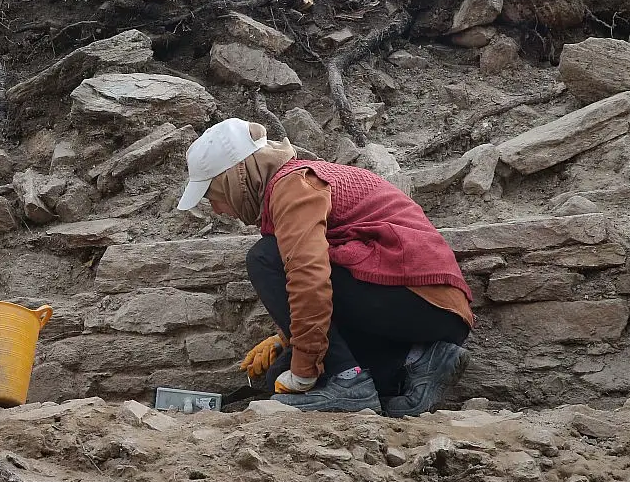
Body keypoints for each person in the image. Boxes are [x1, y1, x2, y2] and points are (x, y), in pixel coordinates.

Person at [176, 118, 474, 415]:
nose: (216, 209)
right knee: (277, 374)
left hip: (425, 300)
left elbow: (310, 277)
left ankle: (348, 384)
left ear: (234, 178)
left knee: (265, 258)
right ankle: (418, 361)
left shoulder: (294, 187)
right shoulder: (291, 186)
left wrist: (305, 370)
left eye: (213, 195)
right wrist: (287, 340)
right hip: (417, 306)